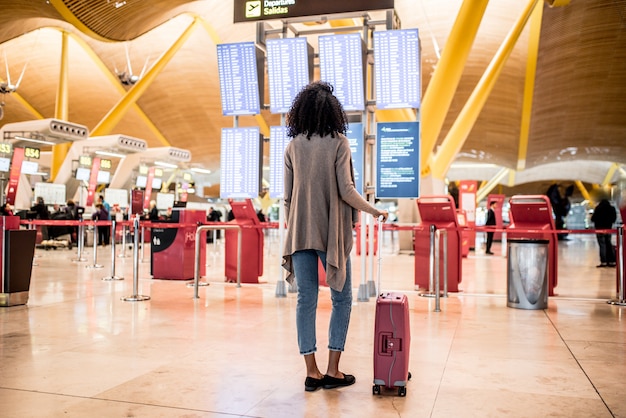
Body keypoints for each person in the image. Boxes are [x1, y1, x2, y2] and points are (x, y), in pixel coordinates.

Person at [282, 81, 388, 392]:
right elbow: (347, 190)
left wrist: (298, 223)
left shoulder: (292, 147)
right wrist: (374, 211)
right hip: (332, 235)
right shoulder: (339, 142)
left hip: (300, 234)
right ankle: (333, 370)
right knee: (342, 299)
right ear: (333, 113)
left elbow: (287, 198)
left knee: (306, 300)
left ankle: (311, 371)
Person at [591, 196, 617, 268]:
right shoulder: (612, 208)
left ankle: (604, 262)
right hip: (608, 229)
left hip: (599, 229)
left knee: (602, 245)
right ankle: (611, 261)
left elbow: (593, 219)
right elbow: (614, 219)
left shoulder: (598, 208)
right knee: (608, 244)